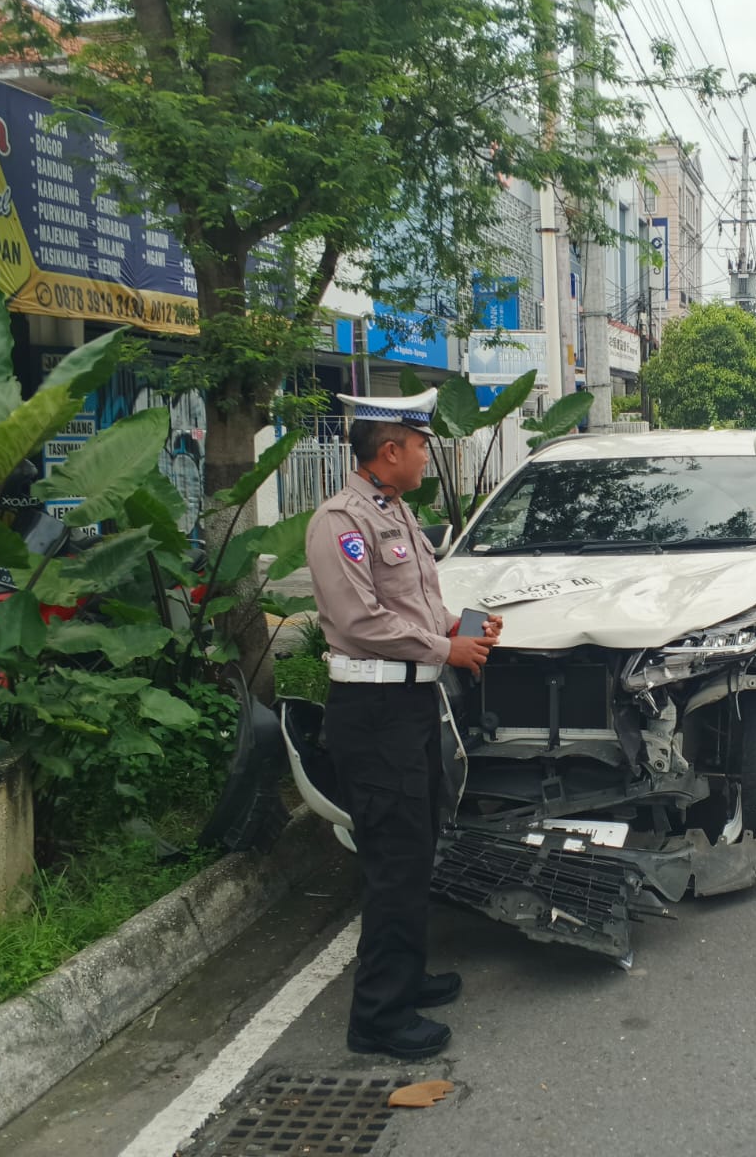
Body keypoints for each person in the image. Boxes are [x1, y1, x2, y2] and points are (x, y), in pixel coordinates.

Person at [305, 388, 502, 1060]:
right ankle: (379, 1018)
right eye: (421, 446)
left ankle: (407, 977)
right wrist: (447, 648)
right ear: (390, 451)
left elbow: (418, 602)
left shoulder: (397, 512)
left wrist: (461, 626)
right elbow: (360, 621)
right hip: (374, 711)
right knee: (392, 859)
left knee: (416, 848)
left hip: (412, 706)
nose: (427, 457)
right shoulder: (339, 523)